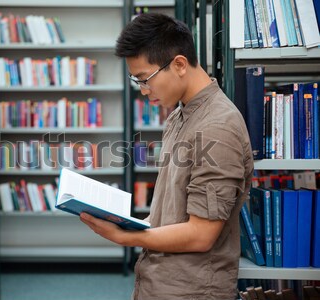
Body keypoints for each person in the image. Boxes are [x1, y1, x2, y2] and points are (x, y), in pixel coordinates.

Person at [80, 13, 254, 300]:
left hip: (191, 289)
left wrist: (125, 237)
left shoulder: (217, 127)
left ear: (179, 64)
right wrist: (128, 222)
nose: (144, 90)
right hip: (160, 279)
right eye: (137, 81)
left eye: (145, 79)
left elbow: (201, 234)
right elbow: (175, 209)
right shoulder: (179, 116)